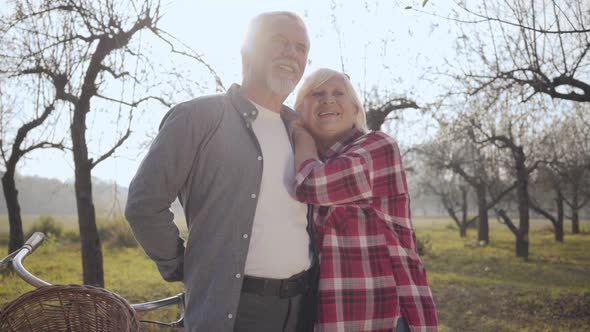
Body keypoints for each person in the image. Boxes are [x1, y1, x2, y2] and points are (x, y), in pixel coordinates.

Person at [125, 12, 317, 332]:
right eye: (279, 42)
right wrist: (186, 266)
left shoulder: (303, 130)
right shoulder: (196, 117)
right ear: (247, 52)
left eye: (301, 48)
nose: (292, 54)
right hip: (235, 310)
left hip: (303, 309)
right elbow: (144, 205)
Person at [291, 68, 439, 331]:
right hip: (333, 318)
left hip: (388, 318)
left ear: (355, 110)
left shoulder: (378, 147)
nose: (328, 99)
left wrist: (301, 137)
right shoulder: (304, 163)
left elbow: (314, 185)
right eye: (317, 94)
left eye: (338, 93)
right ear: (301, 109)